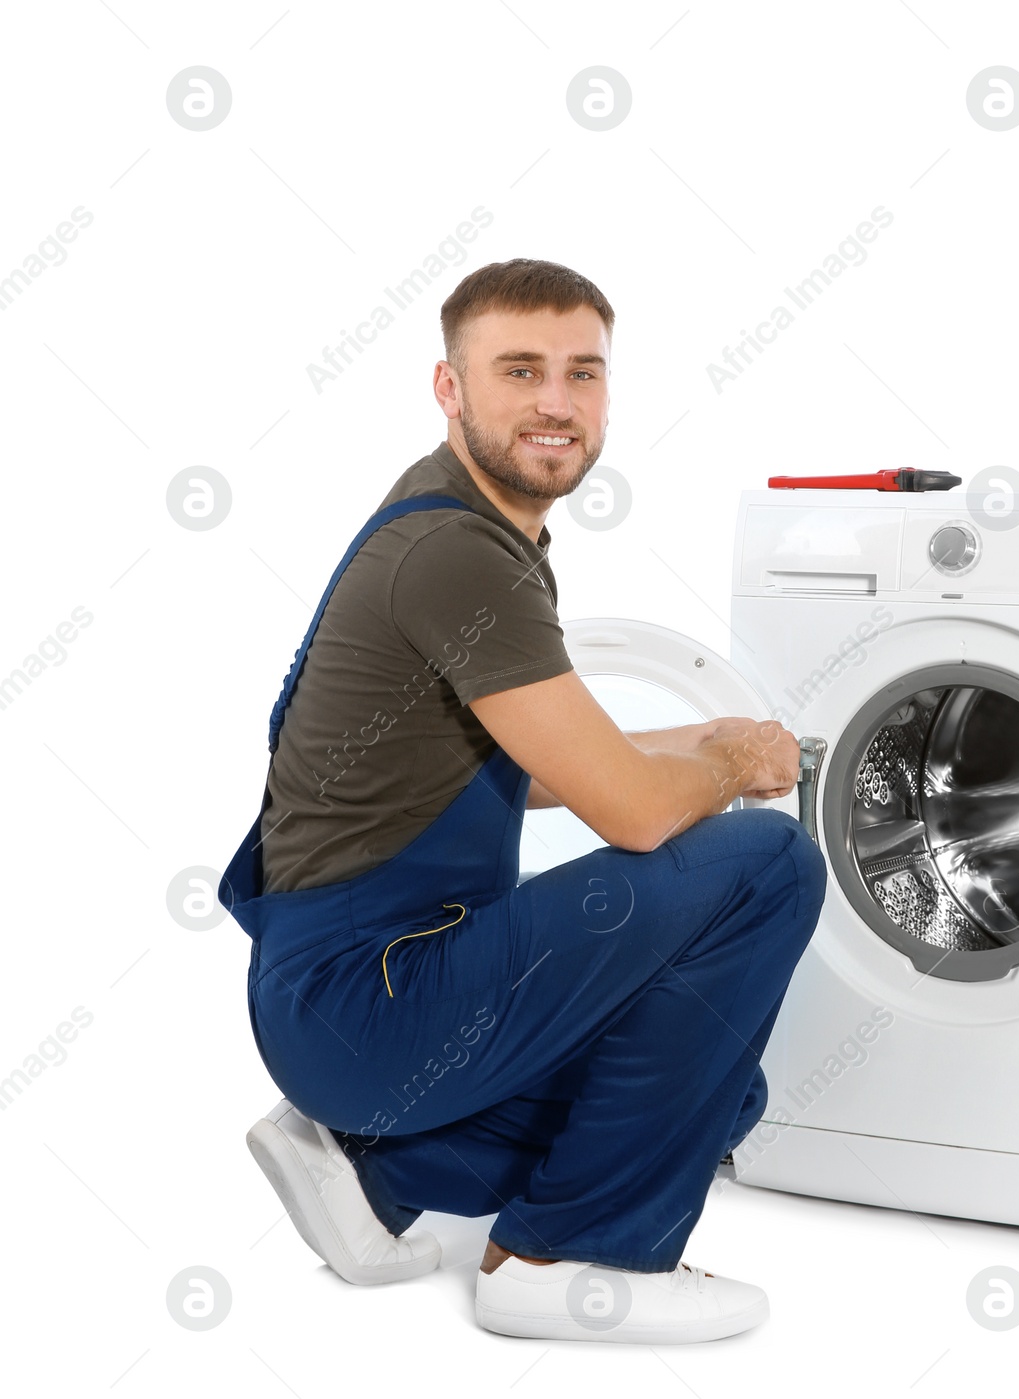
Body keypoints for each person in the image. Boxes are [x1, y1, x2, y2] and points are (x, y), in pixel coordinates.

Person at [223, 258, 826, 1344]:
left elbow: (522, 764)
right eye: (519, 370)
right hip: (375, 994)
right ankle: (567, 1258)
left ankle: (372, 1165)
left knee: (716, 1096)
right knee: (767, 866)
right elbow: (635, 816)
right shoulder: (461, 556)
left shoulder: (456, 515)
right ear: (450, 389)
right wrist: (732, 765)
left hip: (352, 994)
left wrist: (701, 739)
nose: (557, 401)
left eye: (582, 372)